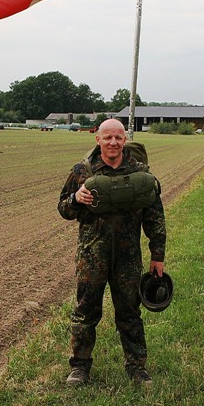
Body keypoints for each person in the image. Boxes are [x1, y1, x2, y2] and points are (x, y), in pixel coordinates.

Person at [57, 118, 167, 386]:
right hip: (92, 257)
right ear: (98, 139)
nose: (113, 142)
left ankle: (137, 367)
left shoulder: (140, 171)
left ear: (124, 139)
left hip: (128, 258)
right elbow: (63, 209)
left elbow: (154, 216)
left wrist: (157, 255)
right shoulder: (82, 171)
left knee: (129, 312)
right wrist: (75, 199)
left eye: (118, 137)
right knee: (86, 311)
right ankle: (80, 367)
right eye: (108, 137)